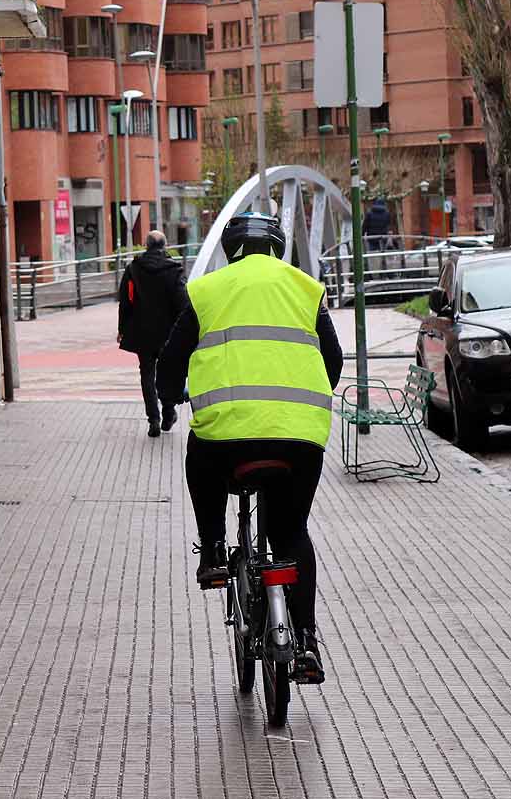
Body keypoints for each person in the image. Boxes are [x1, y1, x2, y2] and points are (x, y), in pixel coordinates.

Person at [156, 213, 343, 683]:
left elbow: (171, 360)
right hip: (299, 439)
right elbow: (333, 360)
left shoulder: (209, 291)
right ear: (278, 247)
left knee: (199, 453)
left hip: (229, 440)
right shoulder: (305, 289)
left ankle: (215, 549)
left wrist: (171, 395)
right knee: (291, 532)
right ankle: (304, 642)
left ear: (229, 248)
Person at [117, 230, 188, 438]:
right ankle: (168, 412)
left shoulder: (133, 269)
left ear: (145, 245)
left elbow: (125, 301)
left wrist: (122, 329)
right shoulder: (174, 270)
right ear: (165, 245)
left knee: (147, 374)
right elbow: (183, 303)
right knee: (167, 371)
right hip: (168, 333)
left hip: (142, 332)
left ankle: (153, 420)